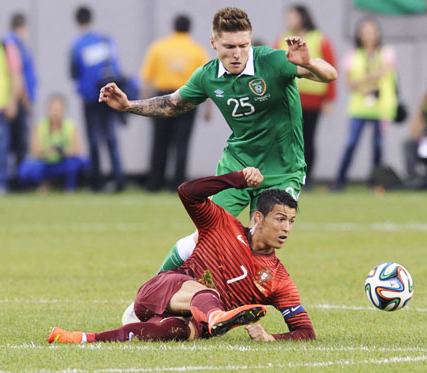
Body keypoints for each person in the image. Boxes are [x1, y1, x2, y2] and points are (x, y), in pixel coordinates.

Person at [100, 7, 337, 273]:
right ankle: (155, 290)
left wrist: (307, 63)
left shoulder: (271, 61)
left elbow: (329, 75)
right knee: (206, 236)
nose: (237, 53)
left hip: (283, 170)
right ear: (214, 43)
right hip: (238, 167)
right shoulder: (207, 76)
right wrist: (128, 105)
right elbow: (171, 104)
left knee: (262, 240)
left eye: (243, 45)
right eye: (229, 46)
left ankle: (239, 303)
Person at [47, 167, 316, 343]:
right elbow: (187, 192)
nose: (286, 228)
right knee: (207, 296)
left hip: (189, 319)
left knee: (174, 331)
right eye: (280, 219)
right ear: (258, 217)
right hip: (162, 288)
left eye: (291, 221)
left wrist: (271, 338)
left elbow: (305, 332)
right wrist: (235, 179)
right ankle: (215, 315)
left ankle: (83, 338)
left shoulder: (279, 278)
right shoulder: (222, 224)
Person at [141, 14, 211, 191]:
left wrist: (145, 107)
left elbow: (146, 79)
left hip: (163, 97)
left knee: (159, 142)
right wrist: (208, 108)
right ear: (189, 28)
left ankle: (155, 183)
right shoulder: (197, 50)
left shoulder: (158, 47)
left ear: (173, 27)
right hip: (187, 97)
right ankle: (177, 184)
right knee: (182, 143)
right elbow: (208, 81)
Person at [332, 17, 397, 191]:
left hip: (380, 106)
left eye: (371, 30)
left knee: (378, 147)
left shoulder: (386, 52)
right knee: (351, 144)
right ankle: (339, 181)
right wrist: (364, 86)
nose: (368, 34)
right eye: (364, 31)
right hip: (359, 106)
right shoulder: (353, 55)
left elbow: (386, 71)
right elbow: (348, 83)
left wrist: (361, 81)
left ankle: (376, 182)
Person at [276, 5, 336, 189]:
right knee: (287, 139)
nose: (289, 19)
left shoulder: (318, 38)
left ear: (302, 17)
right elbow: (273, 65)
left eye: (292, 16)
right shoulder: (282, 39)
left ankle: (306, 178)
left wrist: (329, 99)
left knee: (307, 139)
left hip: (312, 99)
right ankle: (288, 176)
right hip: (288, 98)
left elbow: (330, 66)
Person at [70, 6, 124, 192]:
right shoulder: (105, 40)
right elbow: (116, 68)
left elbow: (73, 71)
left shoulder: (77, 45)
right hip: (108, 94)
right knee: (111, 137)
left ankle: (97, 182)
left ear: (77, 22)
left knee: (94, 139)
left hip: (90, 97)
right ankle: (119, 179)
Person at [18, 94, 88, 192]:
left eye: (58, 109)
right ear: (47, 110)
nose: (55, 113)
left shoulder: (70, 126)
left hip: (63, 162)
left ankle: (70, 187)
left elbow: (77, 150)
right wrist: (48, 151)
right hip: (46, 163)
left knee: (79, 162)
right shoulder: (40, 127)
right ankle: (40, 185)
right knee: (26, 168)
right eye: (53, 109)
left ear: (64, 110)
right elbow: (35, 152)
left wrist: (63, 151)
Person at [0, 9, 22, 195]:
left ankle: (0, 184)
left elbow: (15, 75)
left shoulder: (5, 46)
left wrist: (13, 102)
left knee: (2, 148)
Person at [4, 13, 38, 178]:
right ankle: (17, 179)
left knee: (15, 143)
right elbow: (18, 74)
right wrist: (24, 100)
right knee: (17, 143)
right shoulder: (14, 44)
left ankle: (16, 178)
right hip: (17, 101)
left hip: (17, 100)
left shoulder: (15, 43)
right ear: (23, 27)